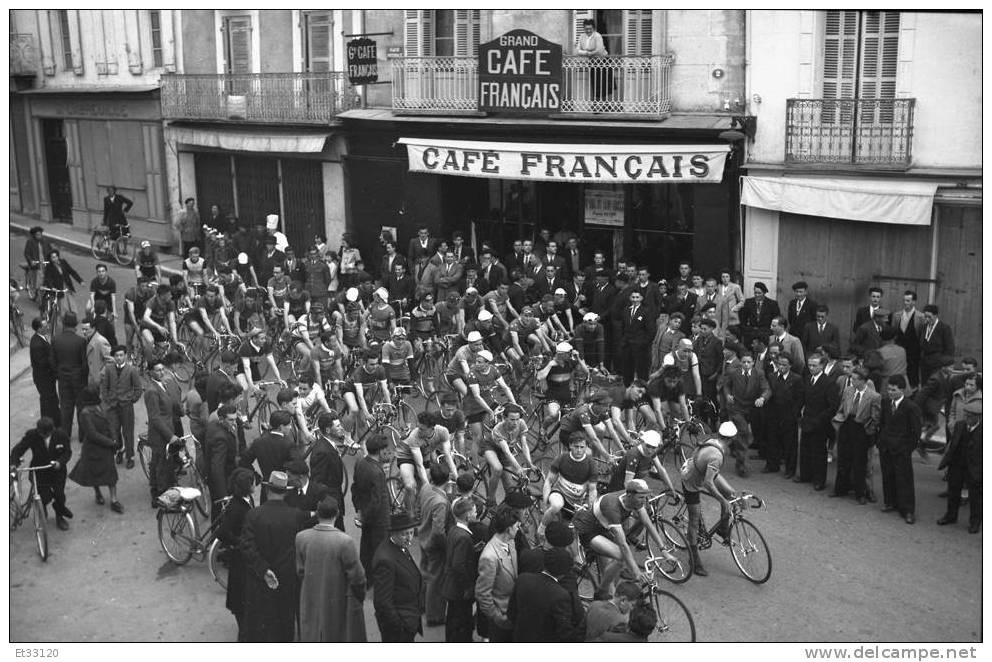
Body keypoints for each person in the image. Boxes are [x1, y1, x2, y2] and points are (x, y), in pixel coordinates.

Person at [570, 479, 675, 597]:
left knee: (617, 567)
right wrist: (637, 573)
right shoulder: (612, 506)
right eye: (641, 497)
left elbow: (647, 523)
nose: (644, 501)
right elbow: (623, 545)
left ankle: (605, 590)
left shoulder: (635, 500)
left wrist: (663, 550)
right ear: (629, 495)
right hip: (589, 530)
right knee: (621, 555)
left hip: (605, 528)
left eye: (645, 497)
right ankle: (602, 593)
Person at [240, 470, 310, 642]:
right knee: (285, 621)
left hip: (260, 580)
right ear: (285, 492)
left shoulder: (254, 515)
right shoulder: (295, 515)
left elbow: (247, 546)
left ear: (267, 490)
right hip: (287, 578)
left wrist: (264, 569)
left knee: (261, 623)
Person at [295, 495, 367, 642]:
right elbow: (358, 578)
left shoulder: (301, 537)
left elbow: (300, 571)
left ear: (318, 513)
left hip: (310, 596)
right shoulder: (345, 541)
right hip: (338, 599)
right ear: (337, 514)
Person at [680, 422, 739, 576]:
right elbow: (708, 483)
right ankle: (694, 560)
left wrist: (726, 497)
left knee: (730, 493)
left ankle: (722, 528)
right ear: (732, 439)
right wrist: (722, 501)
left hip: (704, 470)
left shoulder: (715, 442)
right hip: (691, 480)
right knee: (694, 520)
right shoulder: (717, 456)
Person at [508, 546, 586, 642]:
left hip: (520, 636)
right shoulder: (561, 595)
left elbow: (511, 613)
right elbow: (564, 632)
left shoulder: (523, 579)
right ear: (564, 574)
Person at [10, 417, 73, 531]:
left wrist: (60, 462)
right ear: (38, 431)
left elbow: (67, 452)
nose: (44, 437)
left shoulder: (61, 435)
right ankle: (42, 511)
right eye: (42, 434)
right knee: (44, 496)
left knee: (59, 495)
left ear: (51, 430)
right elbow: (18, 449)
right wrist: (13, 463)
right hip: (39, 470)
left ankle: (59, 516)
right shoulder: (32, 435)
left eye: (47, 434)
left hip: (56, 471)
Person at [69, 385, 123, 513]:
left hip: (106, 445)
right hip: (94, 447)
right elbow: (92, 434)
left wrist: (115, 438)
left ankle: (114, 500)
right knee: (94, 472)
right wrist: (111, 442)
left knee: (111, 474)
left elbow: (110, 424)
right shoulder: (85, 413)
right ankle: (97, 492)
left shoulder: (101, 407)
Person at [372, 511, 425, 642]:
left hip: (408, 619)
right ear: (393, 533)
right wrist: (400, 626)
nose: (409, 538)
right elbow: (382, 602)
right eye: (404, 534)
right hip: (399, 629)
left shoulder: (399, 546)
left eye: (411, 533)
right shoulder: (385, 560)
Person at [216, 467, 255, 641]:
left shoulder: (246, 500)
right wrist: (239, 543)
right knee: (241, 597)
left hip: (244, 555)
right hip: (240, 558)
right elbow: (222, 532)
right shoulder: (237, 507)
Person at [878, 375, 923, 524]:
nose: (890, 392)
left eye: (893, 390)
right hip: (886, 447)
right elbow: (882, 423)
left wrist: (907, 449)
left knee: (904, 479)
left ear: (902, 390)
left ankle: (908, 510)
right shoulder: (885, 403)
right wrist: (881, 441)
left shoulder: (911, 407)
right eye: (888, 389)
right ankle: (890, 502)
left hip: (901, 449)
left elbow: (916, 432)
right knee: (888, 475)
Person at [475, 506, 521, 642]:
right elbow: (482, 594)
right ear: (508, 529)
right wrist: (497, 617)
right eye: (517, 526)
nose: (519, 529)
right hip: (500, 618)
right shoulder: (489, 557)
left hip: (512, 612)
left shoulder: (510, 542)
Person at [798, 354, 841, 490]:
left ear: (822, 366)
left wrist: (819, 420)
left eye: (814, 365)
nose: (811, 368)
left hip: (820, 422)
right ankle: (806, 475)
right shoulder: (808, 379)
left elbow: (833, 406)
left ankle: (819, 480)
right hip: (807, 419)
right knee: (805, 448)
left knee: (818, 452)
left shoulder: (828, 383)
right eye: (809, 365)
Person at [938, 401, 982, 533]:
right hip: (957, 464)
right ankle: (951, 516)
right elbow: (953, 445)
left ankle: (975, 522)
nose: (967, 419)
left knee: (975, 497)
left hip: (975, 468)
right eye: (966, 415)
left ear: (978, 417)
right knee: (953, 491)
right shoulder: (960, 425)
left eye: (970, 416)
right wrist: (947, 463)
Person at [352, 434, 392, 581]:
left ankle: (366, 578)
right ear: (380, 451)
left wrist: (361, 512)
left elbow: (354, 489)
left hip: (366, 515)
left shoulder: (361, 463)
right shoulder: (377, 472)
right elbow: (377, 500)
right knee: (380, 552)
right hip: (378, 520)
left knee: (366, 549)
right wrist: (368, 516)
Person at [441, 496, 480, 642]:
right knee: (462, 624)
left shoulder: (453, 530)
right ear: (467, 515)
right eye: (474, 511)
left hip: (451, 587)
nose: (476, 514)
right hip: (459, 591)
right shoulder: (464, 538)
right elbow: (459, 566)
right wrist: (468, 587)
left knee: (452, 622)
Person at [240, 411, 300, 503]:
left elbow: (244, 461)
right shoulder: (288, 444)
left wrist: (256, 476)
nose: (290, 427)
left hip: (266, 487)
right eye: (288, 425)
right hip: (285, 489)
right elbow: (297, 466)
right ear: (280, 427)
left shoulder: (258, 442)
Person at [418, 462, 451, 627]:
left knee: (425, 575)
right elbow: (439, 531)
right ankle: (434, 616)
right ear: (447, 479)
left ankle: (421, 605)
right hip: (433, 545)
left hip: (423, 537)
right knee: (435, 581)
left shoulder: (425, 488)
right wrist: (447, 546)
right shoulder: (440, 502)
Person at [145, 360, 182, 506]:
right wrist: (170, 436)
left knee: (163, 464)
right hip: (160, 435)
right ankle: (159, 496)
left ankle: (160, 492)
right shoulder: (151, 391)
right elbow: (155, 418)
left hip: (167, 429)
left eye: (162, 370)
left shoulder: (162, 384)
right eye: (157, 370)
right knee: (161, 466)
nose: (161, 373)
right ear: (150, 373)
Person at [100, 344, 141, 467]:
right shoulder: (108, 369)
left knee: (128, 432)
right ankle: (119, 450)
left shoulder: (131, 370)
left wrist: (131, 400)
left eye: (121, 355)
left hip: (126, 406)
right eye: (116, 355)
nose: (119, 358)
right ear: (113, 357)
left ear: (125, 356)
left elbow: (138, 388)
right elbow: (104, 386)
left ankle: (130, 457)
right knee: (114, 431)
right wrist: (107, 399)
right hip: (112, 406)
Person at [51, 311, 88, 437]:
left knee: (66, 407)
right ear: (75, 324)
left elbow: (52, 361)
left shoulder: (56, 340)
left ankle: (66, 434)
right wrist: (83, 379)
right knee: (81, 406)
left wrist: (58, 374)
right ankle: (82, 435)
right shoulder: (81, 341)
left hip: (63, 378)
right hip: (78, 378)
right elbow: (84, 363)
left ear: (64, 323)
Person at [205, 404, 240, 522]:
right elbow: (217, 467)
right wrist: (223, 495)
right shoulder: (221, 438)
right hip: (222, 479)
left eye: (235, 419)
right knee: (220, 513)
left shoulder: (213, 425)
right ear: (221, 419)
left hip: (222, 474)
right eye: (231, 420)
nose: (234, 422)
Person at [29, 317, 61, 426]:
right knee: (48, 401)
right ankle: (49, 424)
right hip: (44, 379)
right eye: (44, 325)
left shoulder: (41, 338)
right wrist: (54, 359)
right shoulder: (37, 344)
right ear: (38, 329)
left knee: (51, 400)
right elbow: (43, 363)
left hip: (46, 378)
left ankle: (55, 420)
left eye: (47, 324)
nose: (47, 326)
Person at [575, 18, 610, 105]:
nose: (588, 30)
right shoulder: (582, 36)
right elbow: (577, 50)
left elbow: (599, 50)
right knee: (595, 83)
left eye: (590, 28)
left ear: (593, 28)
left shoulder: (597, 36)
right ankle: (598, 105)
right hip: (592, 61)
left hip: (602, 61)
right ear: (584, 28)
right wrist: (587, 53)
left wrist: (588, 53)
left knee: (603, 84)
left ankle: (604, 105)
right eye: (586, 29)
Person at [43, 249, 83, 315]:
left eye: (56, 256)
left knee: (72, 305)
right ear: (50, 259)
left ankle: (73, 318)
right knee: (64, 308)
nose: (55, 259)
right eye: (53, 257)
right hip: (58, 288)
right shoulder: (49, 267)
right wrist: (52, 287)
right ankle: (63, 319)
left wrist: (80, 281)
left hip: (67, 287)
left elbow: (71, 271)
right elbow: (48, 278)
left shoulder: (63, 262)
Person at [80, 316, 111, 388]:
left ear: (93, 328)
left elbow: (109, 361)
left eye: (86, 329)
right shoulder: (86, 340)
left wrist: (101, 375)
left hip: (98, 382)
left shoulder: (101, 341)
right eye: (82, 329)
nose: (84, 332)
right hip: (90, 380)